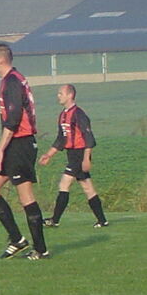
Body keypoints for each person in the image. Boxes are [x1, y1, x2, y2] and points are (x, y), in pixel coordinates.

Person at [0, 44, 49, 260]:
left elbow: (13, 120)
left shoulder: (12, 81)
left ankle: (41, 249)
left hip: (20, 143)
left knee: (25, 196)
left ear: (1, 59)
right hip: (14, 143)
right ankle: (17, 239)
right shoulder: (10, 79)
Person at [39, 84, 108, 228]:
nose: (58, 96)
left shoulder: (78, 114)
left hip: (80, 154)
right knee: (87, 187)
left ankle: (55, 220)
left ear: (70, 95)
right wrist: (49, 155)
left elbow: (88, 137)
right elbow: (61, 139)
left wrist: (86, 158)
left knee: (64, 184)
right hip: (72, 154)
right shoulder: (63, 115)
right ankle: (102, 220)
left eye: (61, 93)